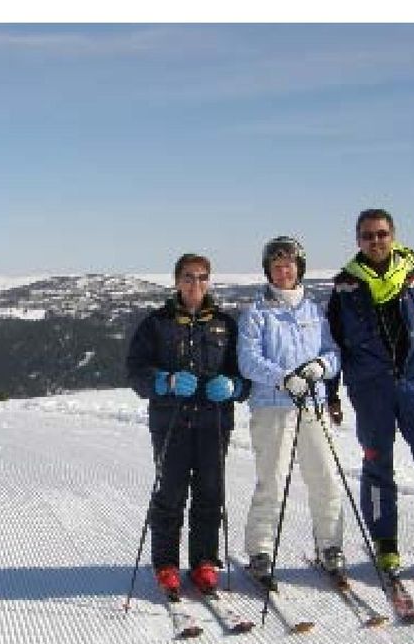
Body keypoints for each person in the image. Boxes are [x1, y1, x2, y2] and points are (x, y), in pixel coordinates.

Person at [326, 208, 414, 577]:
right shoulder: (345, 285)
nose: (375, 241)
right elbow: (334, 342)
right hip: (370, 388)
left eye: (381, 234)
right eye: (368, 235)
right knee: (377, 465)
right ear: (358, 240)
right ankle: (385, 542)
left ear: (393, 236)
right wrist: (333, 392)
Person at [126, 253, 248, 595]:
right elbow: (136, 373)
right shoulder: (157, 323)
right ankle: (165, 563)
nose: (196, 284)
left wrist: (234, 387)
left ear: (209, 281)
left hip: (214, 421)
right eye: (189, 277)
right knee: (171, 492)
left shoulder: (225, 323)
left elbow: (244, 375)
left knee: (210, 491)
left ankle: (204, 561)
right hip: (171, 423)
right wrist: (164, 381)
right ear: (177, 281)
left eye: (202, 277)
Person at [236, 235, 345, 584]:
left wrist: (319, 369)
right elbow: (248, 360)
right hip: (273, 407)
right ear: (268, 269)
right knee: (273, 480)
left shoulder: (313, 310)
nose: (284, 270)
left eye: (290, 264)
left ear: (300, 268)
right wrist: (283, 379)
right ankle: (261, 551)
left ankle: (330, 546)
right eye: (277, 265)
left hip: (311, 405)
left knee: (325, 477)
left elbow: (332, 352)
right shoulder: (256, 312)